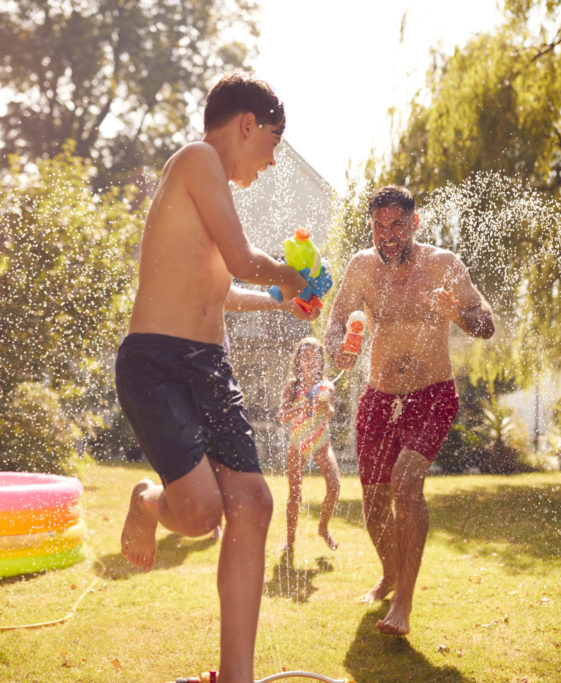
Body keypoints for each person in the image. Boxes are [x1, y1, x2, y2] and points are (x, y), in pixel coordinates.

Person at [114, 71, 313, 683]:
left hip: (208, 367)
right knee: (199, 515)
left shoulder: (211, 192)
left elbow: (221, 290)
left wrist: (279, 300)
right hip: (157, 363)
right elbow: (244, 260)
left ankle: (237, 677)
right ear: (246, 125)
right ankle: (148, 502)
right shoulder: (197, 159)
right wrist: (290, 276)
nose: (274, 161)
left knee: (252, 503)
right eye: (273, 142)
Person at [324, 184, 495, 637]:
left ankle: (403, 603)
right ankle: (389, 572)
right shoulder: (361, 268)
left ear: (415, 223)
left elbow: (486, 324)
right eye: (379, 226)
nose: (388, 235)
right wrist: (338, 347)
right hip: (379, 396)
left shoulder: (443, 265)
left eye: (397, 224)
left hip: (431, 393)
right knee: (375, 504)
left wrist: (455, 311)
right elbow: (336, 320)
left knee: (405, 482)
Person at [276, 337, 341, 556]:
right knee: (295, 494)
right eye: (305, 355)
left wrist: (325, 407)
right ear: (298, 360)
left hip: (322, 442)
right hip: (297, 443)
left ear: (322, 360)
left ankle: (323, 528)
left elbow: (330, 412)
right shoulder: (292, 387)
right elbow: (281, 417)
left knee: (334, 486)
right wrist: (301, 407)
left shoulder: (326, 386)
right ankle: (289, 540)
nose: (310, 359)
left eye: (315, 356)